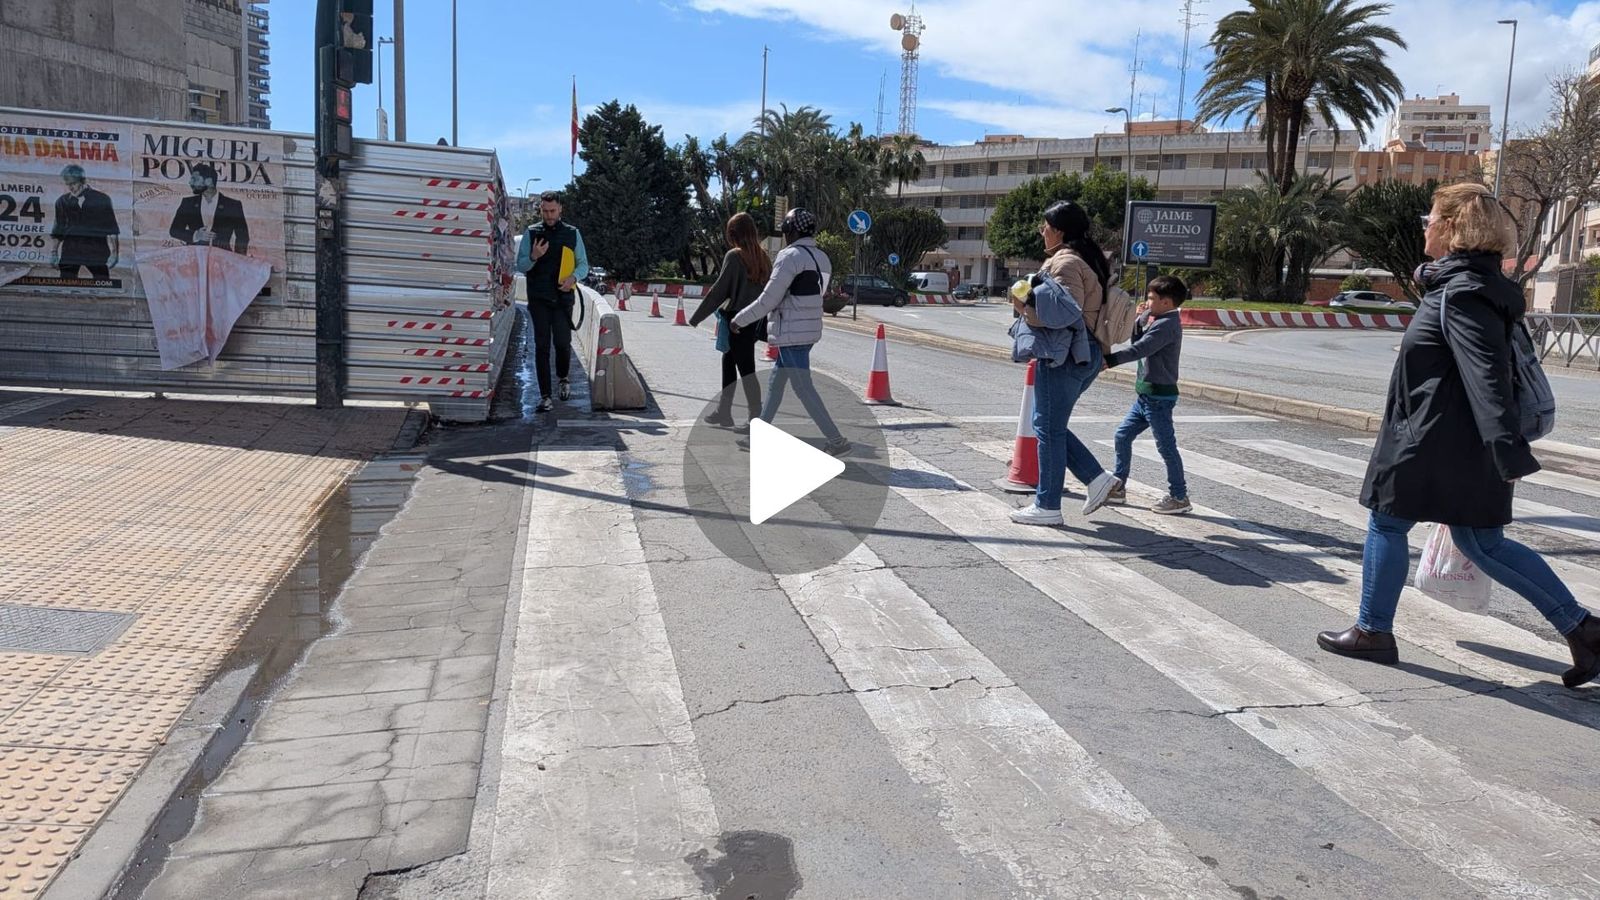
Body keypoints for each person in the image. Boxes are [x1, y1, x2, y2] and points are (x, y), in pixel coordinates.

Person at [1317, 182, 1600, 689]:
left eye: (1429, 219)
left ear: (1450, 229)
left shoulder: (1464, 292)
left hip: (1432, 441)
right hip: (1454, 441)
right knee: (1482, 542)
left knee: (1387, 524)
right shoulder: (1470, 286)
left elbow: (1487, 373)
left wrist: (1507, 453)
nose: (1423, 226)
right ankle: (1583, 629)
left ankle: (1372, 631)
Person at [1010, 200, 1119, 526]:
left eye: (1045, 226)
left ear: (1059, 231)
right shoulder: (1086, 258)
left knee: (1047, 428)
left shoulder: (1066, 262)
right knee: (1049, 426)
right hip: (1084, 353)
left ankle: (1048, 505)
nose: (1042, 231)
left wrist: (1021, 305)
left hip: (1066, 354)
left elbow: (1061, 314)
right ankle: (1097, 480)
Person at [731, 207, 849, 456]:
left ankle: (836, 440)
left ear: (791, 231)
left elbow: (768, 300)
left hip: (791, 332)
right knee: (776, 383)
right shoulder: (823, 258)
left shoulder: (789, 257)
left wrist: (739, 319)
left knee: (803, 388)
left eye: (786, 231)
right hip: (808, 330)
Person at [1104, 274, 1192, 515]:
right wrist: (1142, 316)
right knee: (1122, 436)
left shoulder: (1167, 325)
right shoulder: (1158, 319)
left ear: (1166, 302)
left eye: (1151, 298)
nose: (1147, 301)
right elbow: (1137, 338)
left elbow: (1140, 348)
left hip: (1159, 398)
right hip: (1146, 396)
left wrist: (1109, 360)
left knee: (1166, 447)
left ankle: (1179, 496)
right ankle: (1119, 486)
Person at [689, 212, 769, 430]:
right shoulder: (763, 257)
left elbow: (718, 291)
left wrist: (696, 318)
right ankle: (724, 412)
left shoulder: (734, 256)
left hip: (736, 322)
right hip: (754, 321)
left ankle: (755, 417)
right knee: (730, 363)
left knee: (746, 369)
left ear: (733, 235)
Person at [516, 191, 590, 412]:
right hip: (538, 299)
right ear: (540, 210)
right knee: (541, 347)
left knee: (562, 343)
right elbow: (521, 266)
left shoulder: (572, 234)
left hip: (562, 299)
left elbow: (583, 264)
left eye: (553, 211)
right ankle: (545, 396)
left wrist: (573, 278)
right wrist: (533, 257)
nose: (549, 215)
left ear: (560, 209)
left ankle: (563, 378)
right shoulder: (532, 233)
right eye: (545, 211)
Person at [51, 164, 120, 280]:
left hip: (96, 250)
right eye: (68, 184)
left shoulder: (102, 199)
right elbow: (58, 230)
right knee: (66, 283)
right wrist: (54, 253)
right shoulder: (61, 201)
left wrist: (114, 254)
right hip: (70, 251)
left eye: (73, 184)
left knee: (102, 283)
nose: (71, 188)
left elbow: (112, 229)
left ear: (82, 181)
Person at [168, 163, 250, 254]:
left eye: (195, 179)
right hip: (193, 258)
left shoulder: (233, 205)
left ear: (208, 181)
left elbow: (243, 236)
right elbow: (174, 230)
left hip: (222, 260)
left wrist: (237, 261)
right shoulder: (188, 203)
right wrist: (196, 235)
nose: (190, 182)